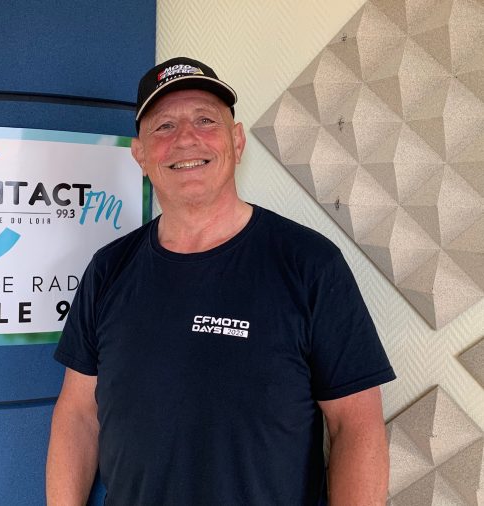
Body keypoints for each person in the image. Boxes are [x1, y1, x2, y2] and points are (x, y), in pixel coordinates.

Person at [46, 56, 395, 506]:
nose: (185, 138)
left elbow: (356, 425)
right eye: (164, 126)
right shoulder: (108, 269)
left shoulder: (309, 263)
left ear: (237, 140)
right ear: (140, 155)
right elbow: (78, 415)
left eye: (205, 120)